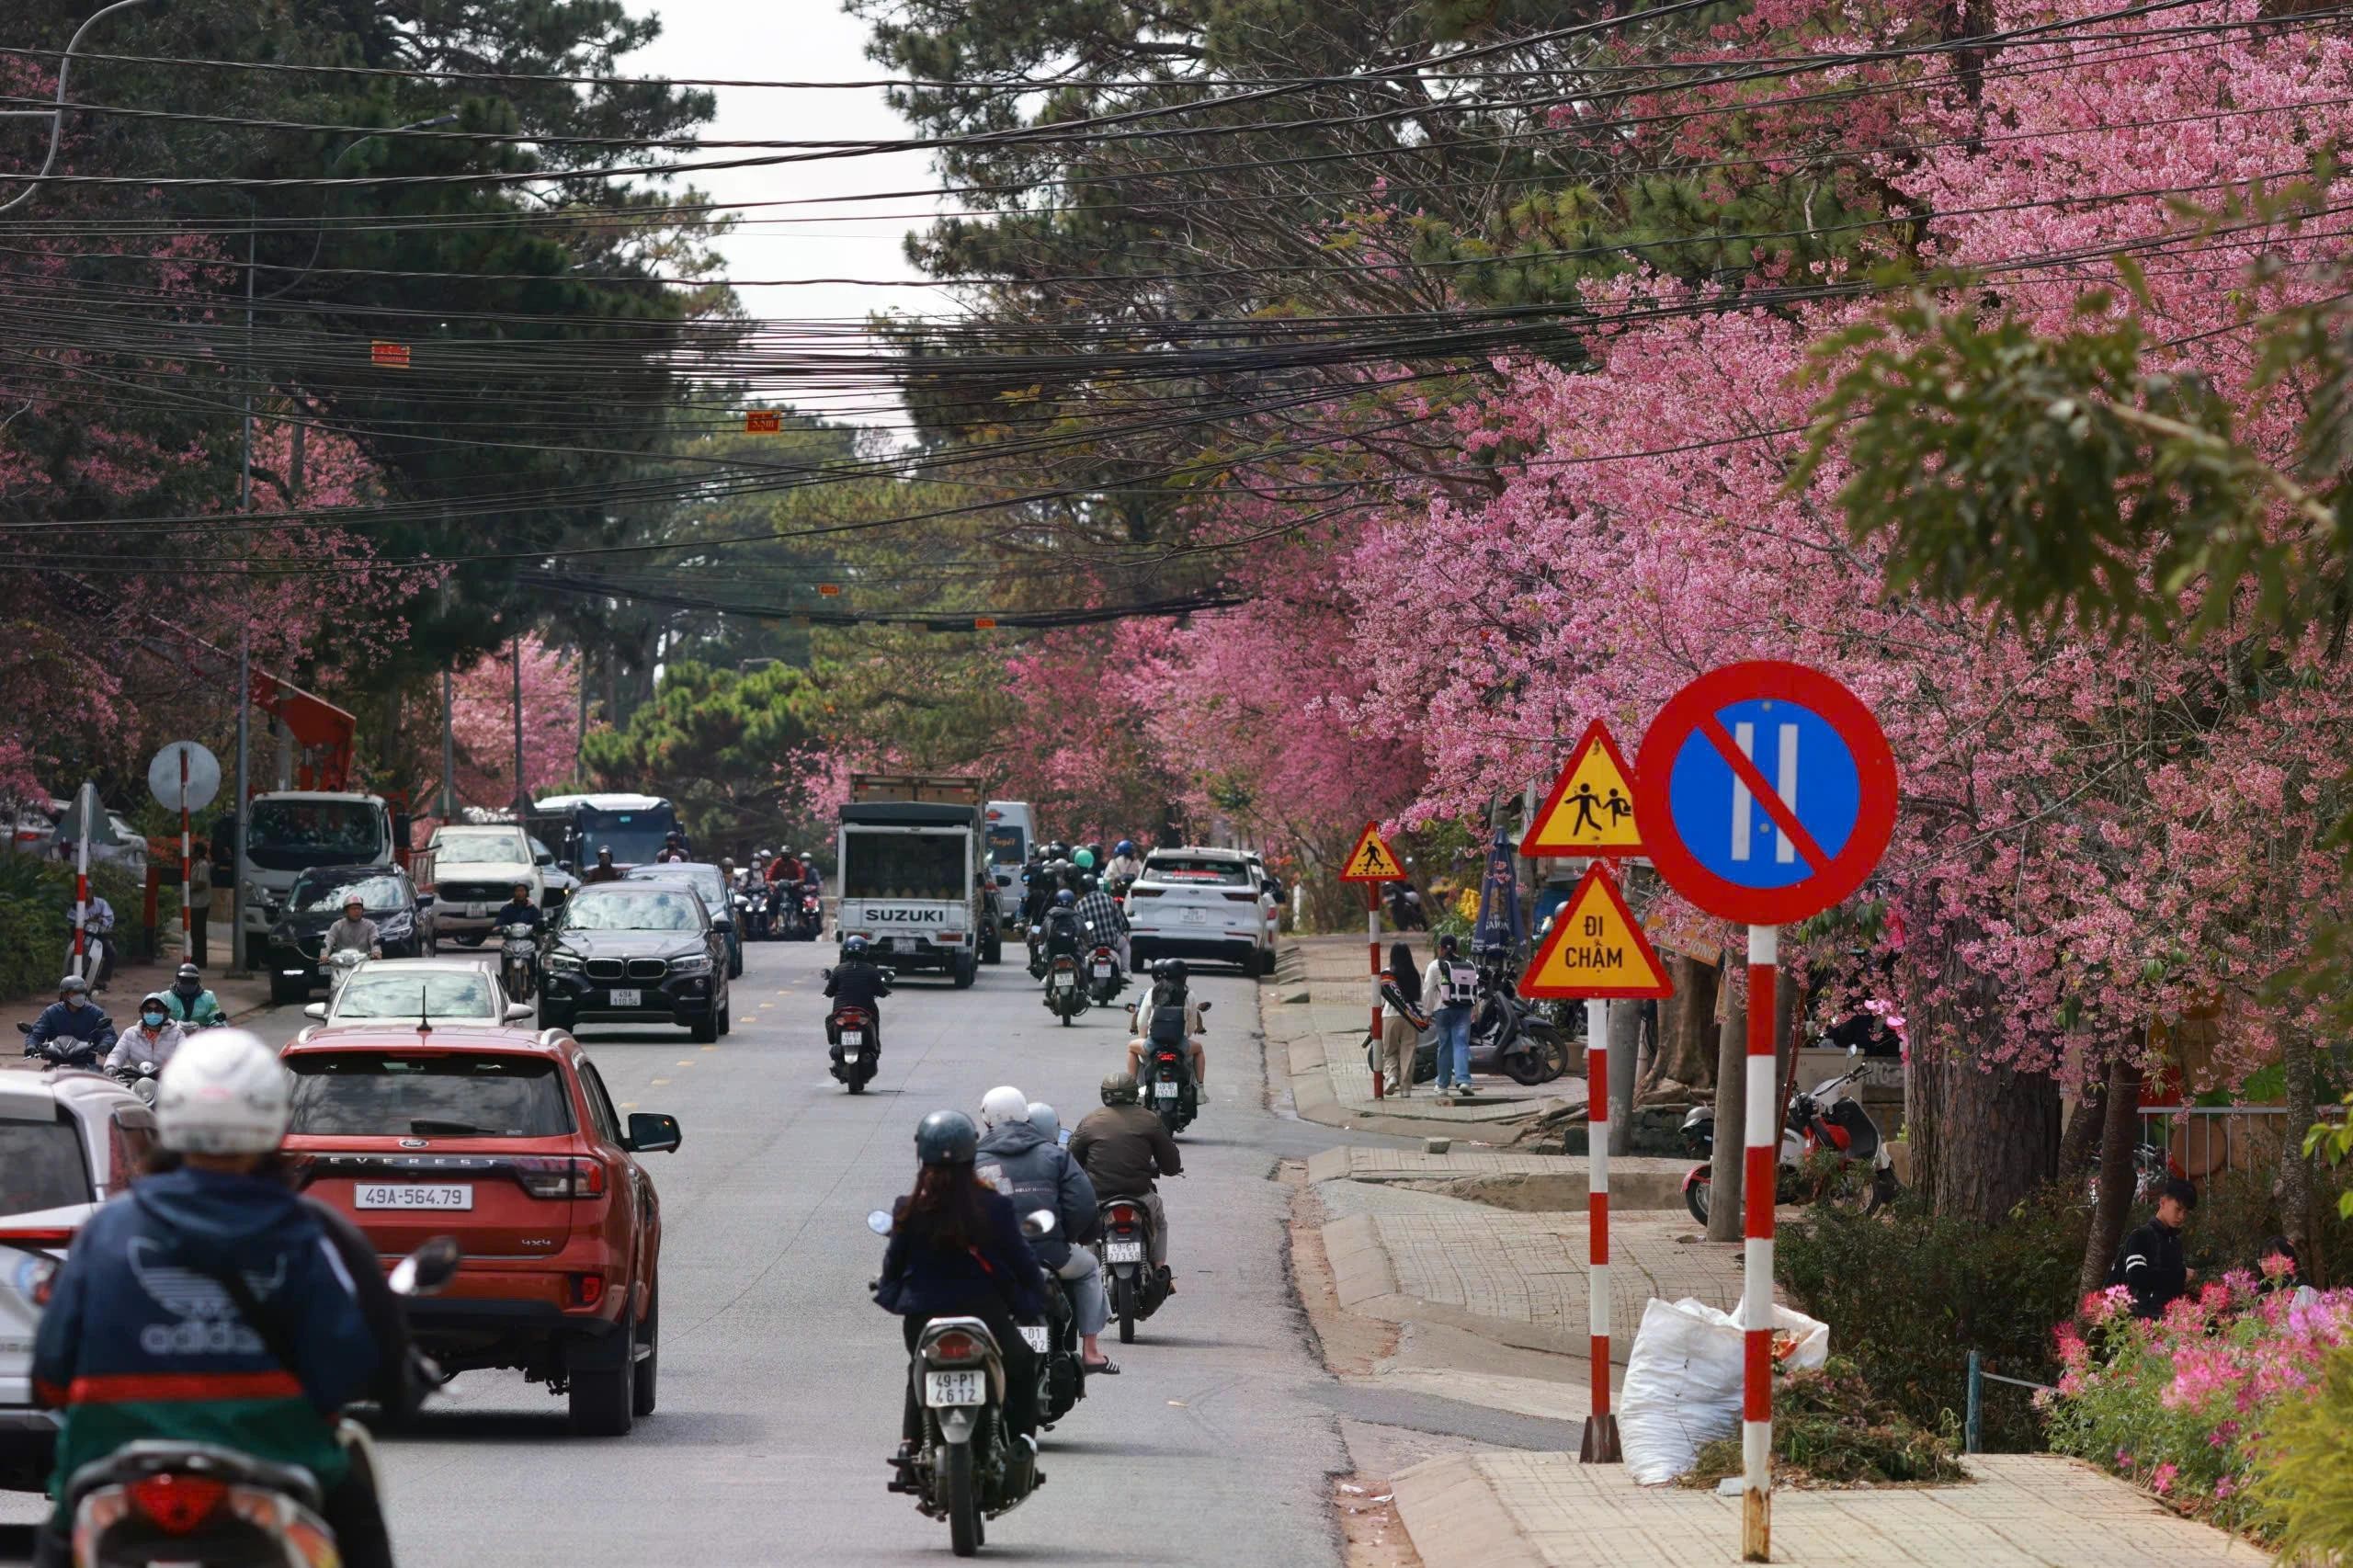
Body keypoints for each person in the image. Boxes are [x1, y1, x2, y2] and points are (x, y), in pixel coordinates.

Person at [28, 1030, 402, 1568]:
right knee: (357, 1521)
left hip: (110, 1463)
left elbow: (49, 1373)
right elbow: (345, 1367)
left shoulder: (107, 1230)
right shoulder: (305, 1232)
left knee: (59, 1541)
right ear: (272, 1121)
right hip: (280, 1457)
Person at [875, 1110, 1045, 1490]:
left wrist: (890, 1295)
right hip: (986, 1319)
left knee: (918, 1369)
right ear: (972, 1154)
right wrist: (1035, 1299)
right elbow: (1023, 1263)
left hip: (924, 1320)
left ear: (922, 1156)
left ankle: (909, 1447)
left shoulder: (908, 1208)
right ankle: (1023, 1445)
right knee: (1021, 1367)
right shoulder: (995, 1207)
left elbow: (892, 1269)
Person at [976, 1088, 1115, 1375]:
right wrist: (1064, 1237)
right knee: (1090, 1268)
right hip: (1052, 1255)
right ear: (1026, 1117)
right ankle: (1091, 1352)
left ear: (987, 1120)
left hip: (994, 1259)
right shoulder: (1055, 1155)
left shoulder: (973, 1160)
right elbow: (1083, 1205)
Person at [1070, 1074, 1183, 1278]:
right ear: (1134, 1094)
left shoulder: (1090, 1121)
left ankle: (1089, 1274)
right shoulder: (1150, 1119)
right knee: (1159, 1222)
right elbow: (1171, 1165)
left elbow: (1070, 1162)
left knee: (1088, 1230)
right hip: (1140, 1197)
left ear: (1105, 1095)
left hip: (1099, 1199)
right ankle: (1160, 1272)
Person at [2114, 1176, 2197, 1320]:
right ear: (2162, 1202)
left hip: (2168, 1320)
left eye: (2186, 1212)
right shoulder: (2140, 1236)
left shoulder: (2174, 1242)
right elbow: (2137, 1277)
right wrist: (2181, 1275)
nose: (2181, 1216)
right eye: (2178, 1209)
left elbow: (2168, 1285)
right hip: (2140, 1322)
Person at [1422, 935, 1480, 1096]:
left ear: (1440, 948)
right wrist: (1475, 1009)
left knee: (1444, 1045)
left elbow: (1427, 990)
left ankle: (1442, 1085)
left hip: (1443, 1009)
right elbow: (1474, 988)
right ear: (1456, 948)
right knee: (1461, 1044)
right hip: (1464, 1009)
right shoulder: (1468, 964)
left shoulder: (1435, 966)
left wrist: (1426, 1013)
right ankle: (1464, 1081)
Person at [824, 936, 892, 1061]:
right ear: (865, 951)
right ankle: (875, 1047)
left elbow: (829, 991)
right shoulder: (872, 970)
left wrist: (826, 994)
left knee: (829, 1019)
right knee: (875, 1020)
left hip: (841, 1011)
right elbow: (881, 991)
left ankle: (835, 1044)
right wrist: (886, 992)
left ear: (846, 950)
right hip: (865, 1011)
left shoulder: (838, 970)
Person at [1377, 941, 1429, 1097]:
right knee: (1408, 1053)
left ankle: (1392, 1077)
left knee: (1390, 1051)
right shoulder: (1416, 975)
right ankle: (1406, 1089)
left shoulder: (1386, 974)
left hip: (1390, 1016)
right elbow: (1421, 998)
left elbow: (1381, 997)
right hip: (1411, 1019)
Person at [25, 974, 115, 1062]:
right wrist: (31, 1045)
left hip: (86, 1063)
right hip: (56, 1062)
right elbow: (36, 1033)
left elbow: (109, 1035)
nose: (80, 995)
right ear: (64, 995)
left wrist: (105, 1045)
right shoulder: (51, 1012)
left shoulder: (95, 1012)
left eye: (82, 992)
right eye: (75, 992)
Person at [106, 993, 186, 1072]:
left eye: (158, 1010)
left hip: (167, 1078)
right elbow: (117, 1054)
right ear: (142, 1012)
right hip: (136, 1078)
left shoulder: (177, 1034)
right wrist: (111, 1066)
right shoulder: (130, 1034)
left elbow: (185, 1057)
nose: (153, 1013)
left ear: (165, 1013)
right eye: (148, 1010)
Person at [1073, 875, 1130, 972]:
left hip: (1090, 945)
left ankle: (1081, 972)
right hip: (1111, 942)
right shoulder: (1109, 899)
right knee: (1125, 942)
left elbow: (1078, 930)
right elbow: (1120, 925)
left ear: (1082, 889)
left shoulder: (1079, 905)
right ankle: (1125, 971)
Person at [163, 961, 227, 1028]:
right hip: (172, 1032)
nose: (188, 983)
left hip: (202, 1033)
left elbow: (215, 1015)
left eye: (192, 981)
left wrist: (219, 1024)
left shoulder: (209, 997)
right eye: (184, 980)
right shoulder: (165, 997)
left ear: (198, 981)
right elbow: (158, 1019)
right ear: (176, 979)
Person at [322, 895, 382, 961]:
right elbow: (329, 941)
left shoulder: (370, 925)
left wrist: (376, 952)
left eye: (359, 908)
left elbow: (375, 940)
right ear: (346, 911)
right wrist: (324, 954)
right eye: (353, 909)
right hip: (340, 963)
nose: (357, 911)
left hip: (363, 962)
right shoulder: (337, 925)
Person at [1039, 890, 1084, 961]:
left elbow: (1042, 935)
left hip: (1053, 951)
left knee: (1045, 960)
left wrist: (1042, 942)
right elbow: (1085, 934)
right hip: (1072, 951)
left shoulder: (1050, 915)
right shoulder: (1075, 916)